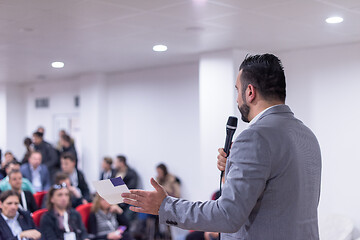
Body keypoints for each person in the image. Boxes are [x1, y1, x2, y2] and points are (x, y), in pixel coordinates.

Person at [122, 54, 322, 239]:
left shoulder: (254, 137)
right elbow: (277, 198)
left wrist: (165, 206)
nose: (237, 99)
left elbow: (228, 215)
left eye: (238, 90)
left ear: (250, 92)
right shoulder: (307, 135)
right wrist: (232, 167)